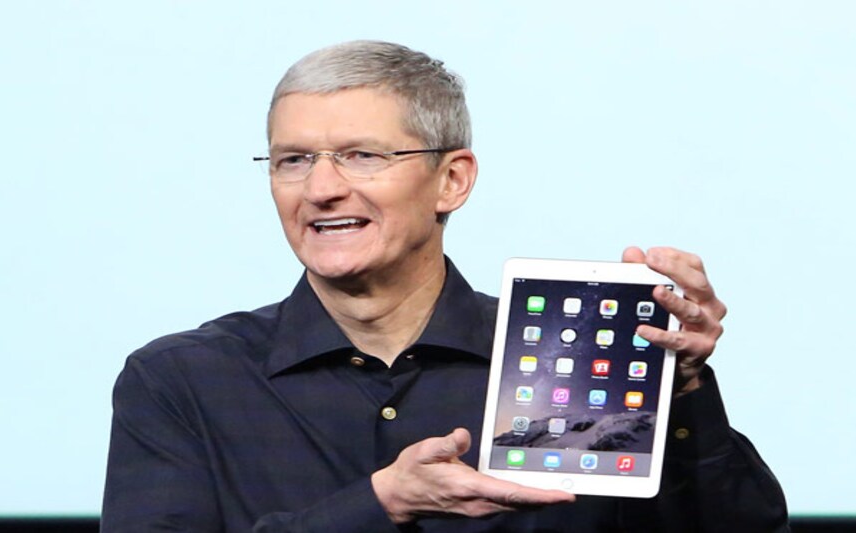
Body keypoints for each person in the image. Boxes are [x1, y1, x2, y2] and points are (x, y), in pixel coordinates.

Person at [101, 40, 788, 532]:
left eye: (362, 155)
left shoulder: (572, 358)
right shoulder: (182, 380)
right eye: (293, 160)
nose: (321, 188)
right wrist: (382, 503)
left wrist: (688, 387)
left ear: (452, 179)